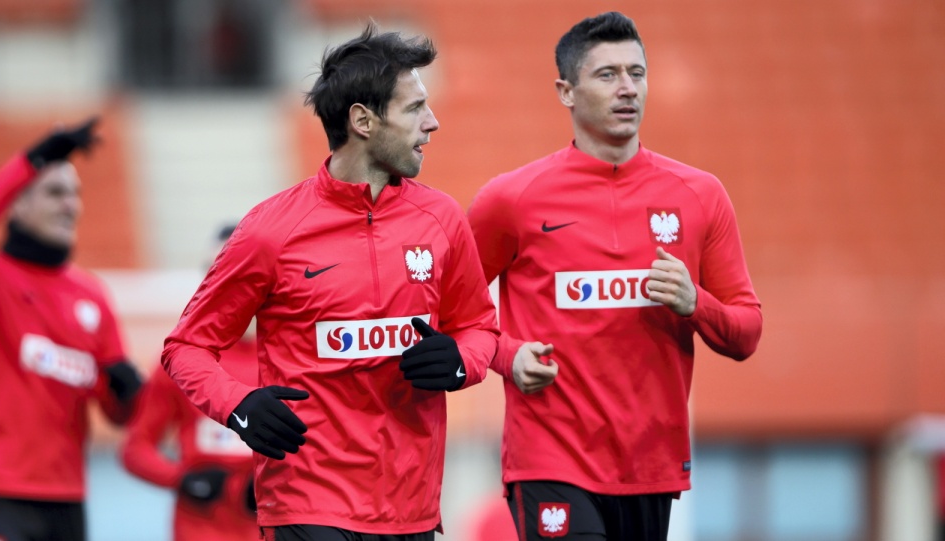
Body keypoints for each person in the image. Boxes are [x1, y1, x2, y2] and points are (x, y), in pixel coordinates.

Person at [162, 23, 515, 541]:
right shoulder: (270, 231)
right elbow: (187, 346)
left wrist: (462, 361)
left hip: (411, 505)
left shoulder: (441, 218)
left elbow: (480, 329)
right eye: (415, 108)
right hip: (307, 501)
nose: (433, 123)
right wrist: (238, 405)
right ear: (362, 120)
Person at [467, 12, 763, 541]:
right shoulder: (511, 199)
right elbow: (450, 309)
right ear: (566, 90)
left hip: (651, 465)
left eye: (637, 73)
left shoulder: (699, 195)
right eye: (607, 75)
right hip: (550, 458)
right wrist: (506, 356)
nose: (627, 88)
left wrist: (696, 303)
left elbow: (746, 332)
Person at [0, 118, 144, 541]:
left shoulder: (91, 294)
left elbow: (116, 412)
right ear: (16, 203)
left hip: (68, 499)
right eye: (55, 192)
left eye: (75, 194)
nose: (70, 205)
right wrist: (33, 159)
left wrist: (127, 394)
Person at [121, 223, 258, 541]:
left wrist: (280, 482)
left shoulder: (291, 357)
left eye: (235, 271)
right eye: (213, 272)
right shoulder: (181, 358)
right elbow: (136, 448)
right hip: (200, 530)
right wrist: (182, 479)